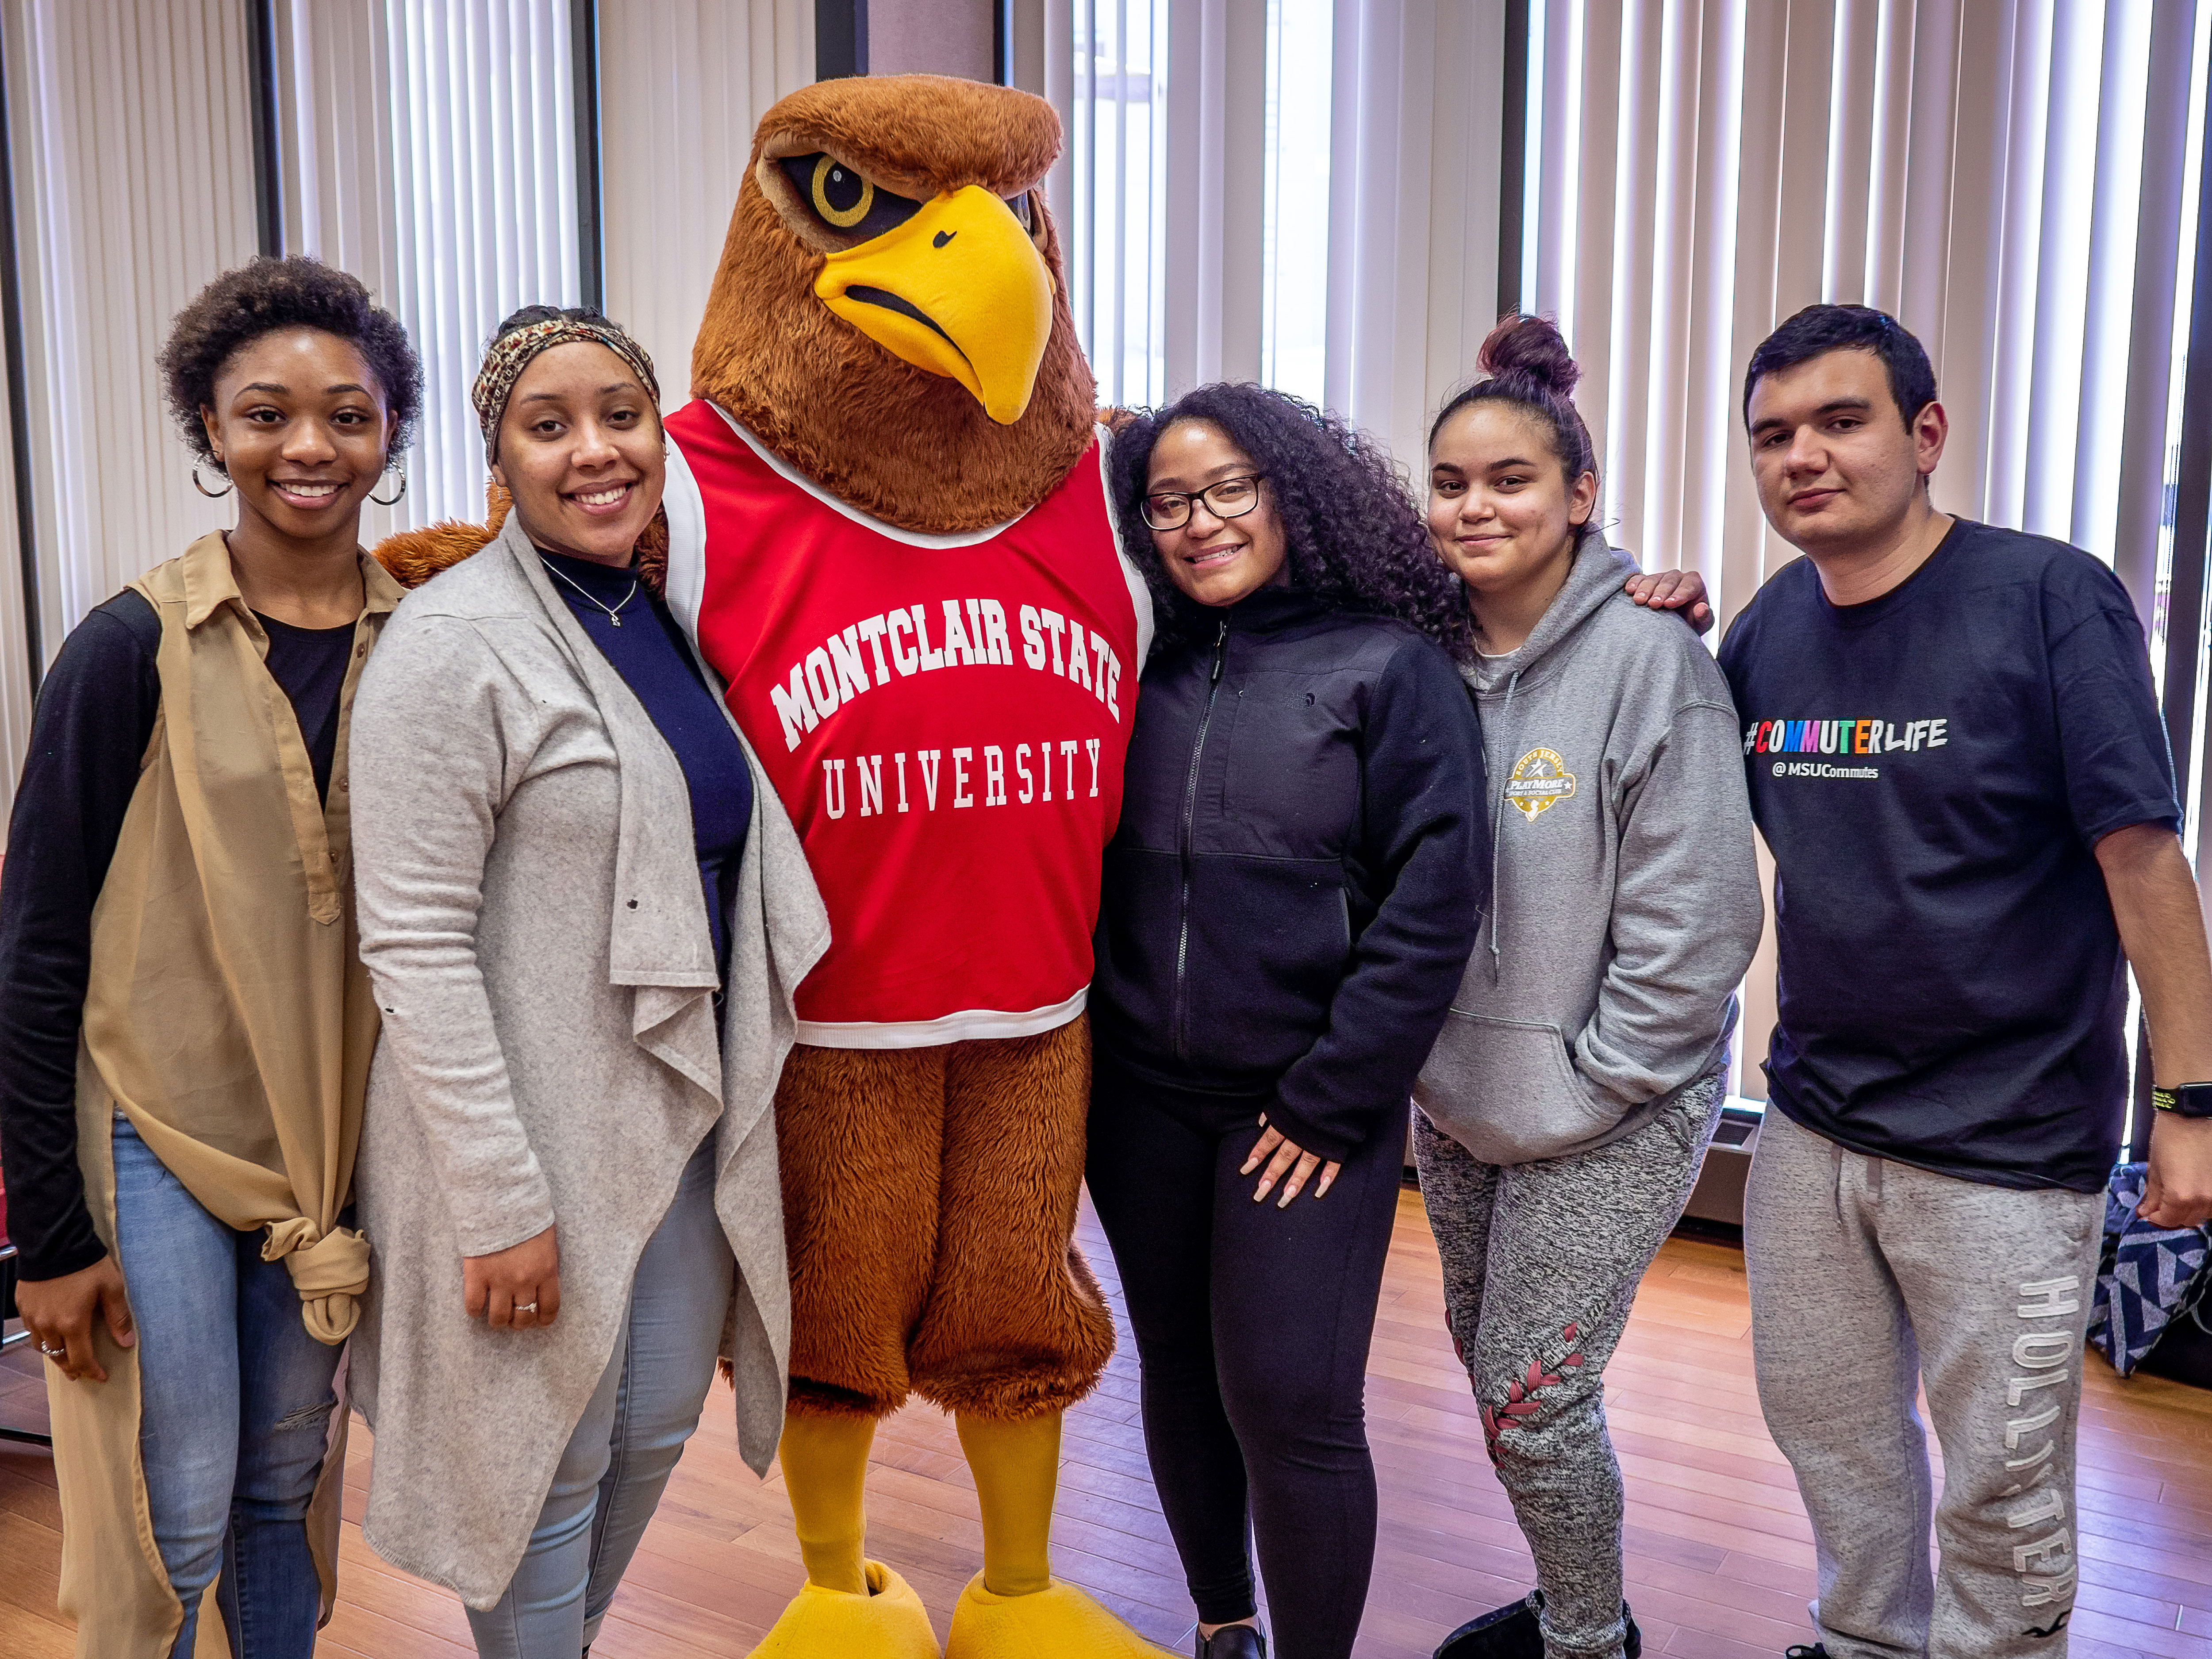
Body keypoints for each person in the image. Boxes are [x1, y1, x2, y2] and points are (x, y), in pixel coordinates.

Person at [1719, 303, 2212, 1659]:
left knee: (1999, 1490)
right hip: (1814, 1126)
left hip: (2005, 1147)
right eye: (1773, 435)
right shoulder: (1768, 628)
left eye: (1841, 419)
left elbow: (2142, 858)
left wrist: (2191, 1101)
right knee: (1834, 1443)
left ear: (1925, 433)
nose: (1803, 456)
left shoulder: (2047, 596)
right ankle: (1867, 1642)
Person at [343, 307, 828, 1659]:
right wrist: (498, 1200)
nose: (594, 451)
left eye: (619, 414)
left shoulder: (657, 618)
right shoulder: (455, 644)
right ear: (498, 457)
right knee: (543, 1466)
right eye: (547, 426)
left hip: (672, 1113)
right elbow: (415, 943)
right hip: (524, 1139)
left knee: (662, 1411)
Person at [0, 255, 420, 1657]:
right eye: (265, 413)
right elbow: (39, 950)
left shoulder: (429, 647)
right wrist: (49, 1239)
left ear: (388, 434)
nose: (309, 446)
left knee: (284, 1482)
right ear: (208, 429)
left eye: (347, 415)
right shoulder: (126, 649)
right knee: (168, 1503)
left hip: (327, 1146)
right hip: (155, 1135)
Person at [1084, 383, 1490, 1659]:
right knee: (1183, 1376)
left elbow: (1437, 901)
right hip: (1140, 1098)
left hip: (1305, 1107)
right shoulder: (1129, 657)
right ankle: (1222, 1626)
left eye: (1228, 490)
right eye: (1167, 503)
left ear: (1290, 494)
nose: (1199, 523)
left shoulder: (1388, 666)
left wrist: (1332, 1095)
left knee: (1291, 1400)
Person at [1409, 316, 1762, 1659]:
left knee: (1532, 1395)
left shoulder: (1651, 659)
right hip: (1458, 1093)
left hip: (1616, 1098)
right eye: (1452, 482)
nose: (1478, 504)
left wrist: (1594, 1077)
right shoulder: (1413, 651)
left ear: (1579, 495)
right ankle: (1571, 1603)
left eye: (1511, 478)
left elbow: (1702, 919)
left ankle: (1589, 1643)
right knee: (1498, 1380)